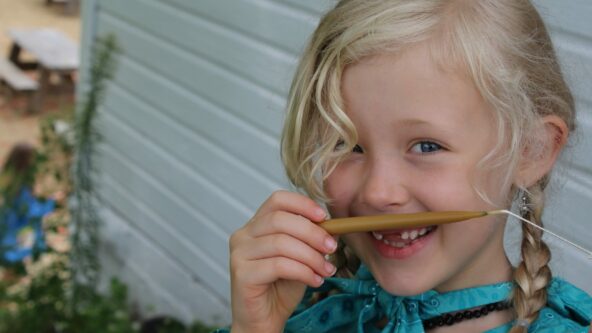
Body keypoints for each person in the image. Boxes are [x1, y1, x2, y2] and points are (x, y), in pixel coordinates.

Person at [217, 0, 592, 332]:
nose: (378, 192)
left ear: (530, 151)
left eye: (426, 146)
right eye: (345, 144)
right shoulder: (305, 311)